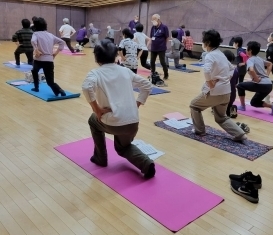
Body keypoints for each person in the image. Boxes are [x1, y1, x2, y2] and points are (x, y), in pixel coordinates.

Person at [81, 39, 155, 179]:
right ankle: (146, 164)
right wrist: (137, 104)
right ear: (116, 56)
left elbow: (86, 88)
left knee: (93, 121)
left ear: (96, 58)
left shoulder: (95, 73)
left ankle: (100, 158)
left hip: (113, 122)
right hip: (133, 122)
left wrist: (96, 109)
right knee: (123, 147)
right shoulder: (125, 71)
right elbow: (147, 85)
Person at [190, 29, 246, 141]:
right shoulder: (221, 54)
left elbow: (206, 71)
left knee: (194, 106)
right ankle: (240, 134)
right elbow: (232, 69)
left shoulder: (210, 55)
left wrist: (211, 83)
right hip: (226, 92)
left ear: (208, 43)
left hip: (215, 92)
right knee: (221, 117)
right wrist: (224, 80)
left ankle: (200, 130)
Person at [237, 41, 273, 115]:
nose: (246, 50)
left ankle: (242, 106)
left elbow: (251, 70)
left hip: (262, 85)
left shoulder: (250, 60)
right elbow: (270, 64)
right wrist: (266, 75)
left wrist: (256, 79)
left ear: (250, 51)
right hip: (269, 85)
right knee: (254, 102)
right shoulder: (259, 59)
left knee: (239, 86)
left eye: (247, 49)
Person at [31, 17, 66, 96]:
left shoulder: (35, 34)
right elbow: (62, 42)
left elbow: (33, 41)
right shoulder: (50, 35)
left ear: (35, 26)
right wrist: (55, 53)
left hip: (39, 59)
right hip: (49, 60)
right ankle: (59, 90)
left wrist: (36, 50)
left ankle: (36, 88)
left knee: (34, 71)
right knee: (50, 82)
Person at [148, 14, 169, 80]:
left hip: (161, 48)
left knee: (162, 62)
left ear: (158, 19)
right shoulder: (153, 27)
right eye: (152, 19)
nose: (153, 21)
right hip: (154, 47)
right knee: (152, 62)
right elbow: (151, 37)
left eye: (154, 19)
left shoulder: (164, 27)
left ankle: (166, 74)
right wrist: (147, 45)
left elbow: (167, 37)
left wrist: (164, 44)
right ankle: (153, 73)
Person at [222, 50, 238, 118]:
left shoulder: (222, 69)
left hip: (223, 95)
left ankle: (227, 109)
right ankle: (230, 108)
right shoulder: (235, 70)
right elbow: (236, 83)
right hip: (232, 95)